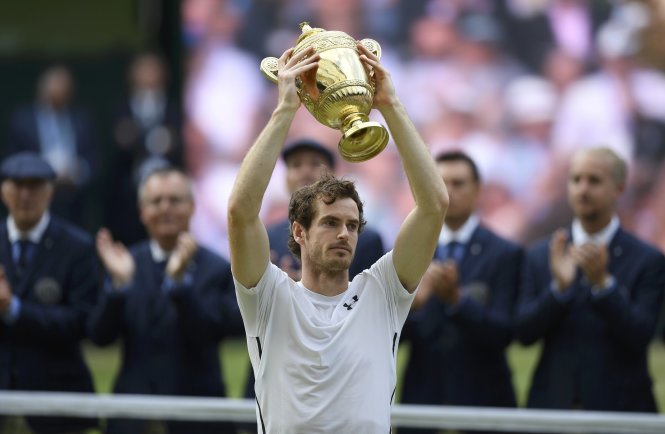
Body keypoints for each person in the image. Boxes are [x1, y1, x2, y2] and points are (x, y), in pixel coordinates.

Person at [227, 42, 449, 433]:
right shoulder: (269, 296)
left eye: (351, 224)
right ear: (298, 231)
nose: (344, 233)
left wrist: (390, 107)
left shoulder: (383, 293)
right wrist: (285, 109)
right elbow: (241, 212)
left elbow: (433, 206)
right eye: (330, 222)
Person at [87, 166, 241, 434]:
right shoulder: (124, 263)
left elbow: (210, 333)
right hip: (134, 417)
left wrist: (180, 285)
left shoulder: (217, 268)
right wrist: (118, 287)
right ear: (141, 211)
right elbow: (100, 337)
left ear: (192, 207)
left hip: (198, 418)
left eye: (175, 200)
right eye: (156, 201)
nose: (165, 208)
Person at [515, 146, 665, 412]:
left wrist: (604, 285)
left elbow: (642, 335)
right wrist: (558, 291)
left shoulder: (648, 260)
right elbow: (524, 334)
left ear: (619, 188)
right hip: (553, 407)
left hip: (621, 410)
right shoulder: (541, 255)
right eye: (576, 180)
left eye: (594, 180)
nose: (582, 189)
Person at [400, 151, 522, 434]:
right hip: (422, 401)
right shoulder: (406, 251)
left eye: (459, 183)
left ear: (478, 190)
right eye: (442, 183)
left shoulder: (505, 254)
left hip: (484, 403)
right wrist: (413, 306)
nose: (449, 191)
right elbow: (388, 337)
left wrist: (458, 301)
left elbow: (506, 333)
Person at [0, 152, 99, 434]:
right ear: (3, 192)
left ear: (50, 193)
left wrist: (14, 309)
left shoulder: (77, 247)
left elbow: (82, 321)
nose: (25, 195)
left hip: (56, 402)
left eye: (35, 186)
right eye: (17, 186)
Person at [6, 64, 98, 230]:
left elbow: (93, 158)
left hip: (73, 196)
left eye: (65, 86)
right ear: (42, 88)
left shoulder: (81, 118)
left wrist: (79, 171)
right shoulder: (23, 120)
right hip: (36, 191)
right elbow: (13, 161)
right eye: (55, 85)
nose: (59, 90)